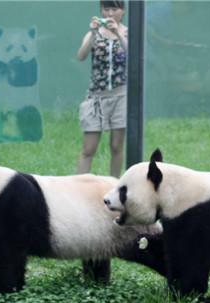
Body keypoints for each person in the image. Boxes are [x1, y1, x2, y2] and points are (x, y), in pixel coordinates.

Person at [76, 0, 128, 178]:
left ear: (123, 11)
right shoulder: (94, 33)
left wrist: (117, 34)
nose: (110, 14)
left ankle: (114, 184)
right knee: (88, 148)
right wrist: (92, 33)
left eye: (115, 9)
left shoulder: (129, 33)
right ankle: (77, 187)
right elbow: (81, 56)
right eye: (106, 9)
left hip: (121, 95)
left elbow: (134, 55)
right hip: (96, 96)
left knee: (116, 145)